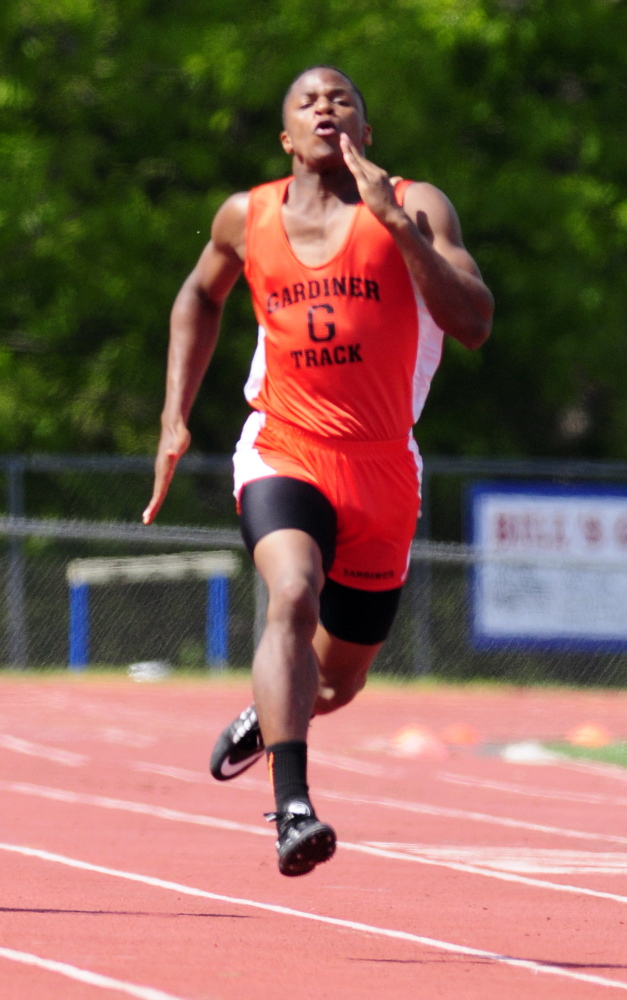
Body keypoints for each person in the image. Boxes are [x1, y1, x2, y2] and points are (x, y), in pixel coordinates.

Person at [143, 66, 493, 877]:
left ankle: (271, 714)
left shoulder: (420, 204)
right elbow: (199, 296)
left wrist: (398, 227)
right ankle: (293, 807)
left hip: (382, 465)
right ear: (287, 138)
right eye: (308, 100)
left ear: (365, 134)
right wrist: (173, 416)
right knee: (291, 595)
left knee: (335, 686)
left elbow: (472, 323)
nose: (327, 107)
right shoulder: (246, 215)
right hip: (285, 446)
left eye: (344, 100)